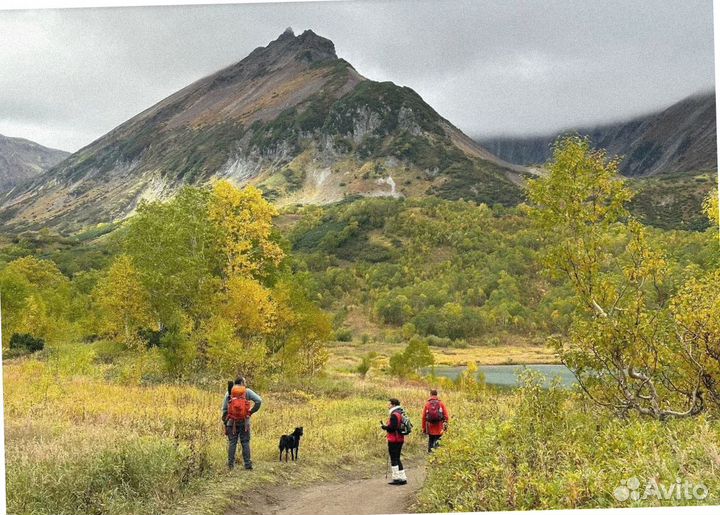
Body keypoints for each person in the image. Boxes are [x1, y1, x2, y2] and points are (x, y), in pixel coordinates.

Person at [222, 376, 262, 470]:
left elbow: (224, 408)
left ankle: (230, 465)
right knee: (245, 442)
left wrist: (225, 420)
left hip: (231, 422)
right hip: (245, 422)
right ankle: (247, 465)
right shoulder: (247, 391)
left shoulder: (229, 392)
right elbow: (259, 401)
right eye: (245, 382)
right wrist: (250, 412)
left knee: (232, 442)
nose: (246, 384)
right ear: (241, 382)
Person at [380, 398, 408, 486]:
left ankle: (396, 478)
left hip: (394, 439)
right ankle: (403, 478)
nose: (387, 405)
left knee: (394, 458)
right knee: (397, 458)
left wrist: (385, 427)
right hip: (400, 438)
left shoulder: (394, 414)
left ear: (393, 404)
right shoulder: (400, 412)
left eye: (389, 404)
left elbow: (393, 428)